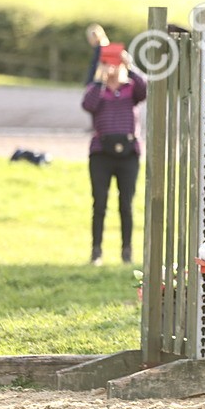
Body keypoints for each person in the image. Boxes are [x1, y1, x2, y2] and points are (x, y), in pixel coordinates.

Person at [82, 50, 147, 265]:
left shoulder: (130, 88)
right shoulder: (96, 90)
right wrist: (100, 79)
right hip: (101, 152)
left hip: (128, 153)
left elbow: (145, 90)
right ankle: (96, 251)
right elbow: (88, 105)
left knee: (126, 204)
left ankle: (126, 252)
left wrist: (130, 65)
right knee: (99, 203)